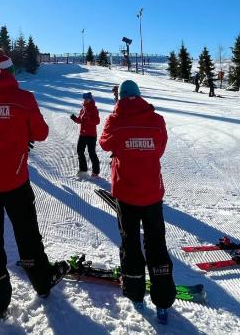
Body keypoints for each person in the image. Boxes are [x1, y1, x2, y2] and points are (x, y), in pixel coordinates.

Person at [0, 48, 69, 318]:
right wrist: (20, 132)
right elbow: (41, 132)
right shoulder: (24, 98)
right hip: (14, 180)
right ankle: (42, 281)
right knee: (27, 234)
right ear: (11, 72)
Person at [99, 80, 175, 324]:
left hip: (126, 194)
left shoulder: (115, 120)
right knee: (156, 244)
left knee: (130, 243)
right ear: (139, 96)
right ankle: (163, 300)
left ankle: (135, 293)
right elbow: (159, 149)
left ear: (120, 97)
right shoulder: (156, 120)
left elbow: (104, 143)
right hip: (152, 192)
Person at [71, 92, 100, 178]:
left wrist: (89, 119)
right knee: (80, 151)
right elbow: (80, 120)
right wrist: (74, 119)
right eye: (85, 99)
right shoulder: (83, 109)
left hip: (91, 135)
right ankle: (83, 169)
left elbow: (97, 121)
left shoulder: (94, 109)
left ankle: (95, 172)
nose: (86, 100)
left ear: (91, 99)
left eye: (87, 99)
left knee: (91, 153)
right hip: (82, 134)